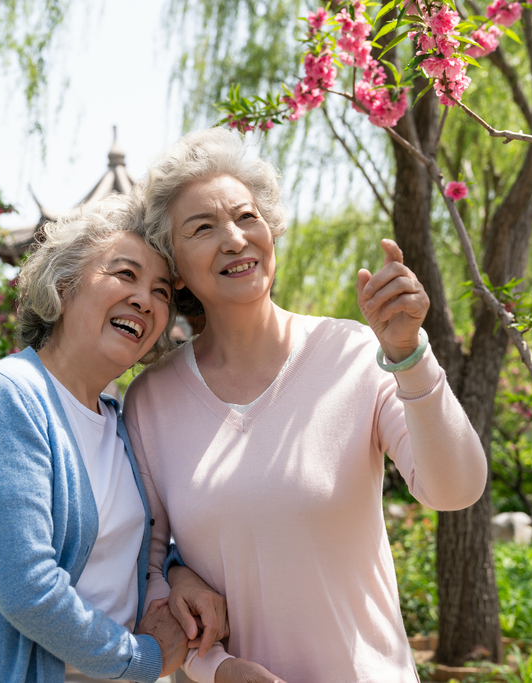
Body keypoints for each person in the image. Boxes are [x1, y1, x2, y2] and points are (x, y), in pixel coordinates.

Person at [123, 128, 488, 683]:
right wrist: (218, 670)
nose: (234, 239)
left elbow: (456, 488)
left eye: (247, 217)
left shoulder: (354, 352)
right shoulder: (152, 399)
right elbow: (145, 571)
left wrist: (409, 354)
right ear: (173, 267)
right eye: (202, 228)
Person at [0, 194, 226, 683]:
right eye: (125, 274)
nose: (145, 299)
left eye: (162, 291)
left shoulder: (119, 420)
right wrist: (142, 660)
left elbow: (134, 545)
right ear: (64, 284)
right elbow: (27, 588)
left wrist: (176, 572)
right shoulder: (5, 399)